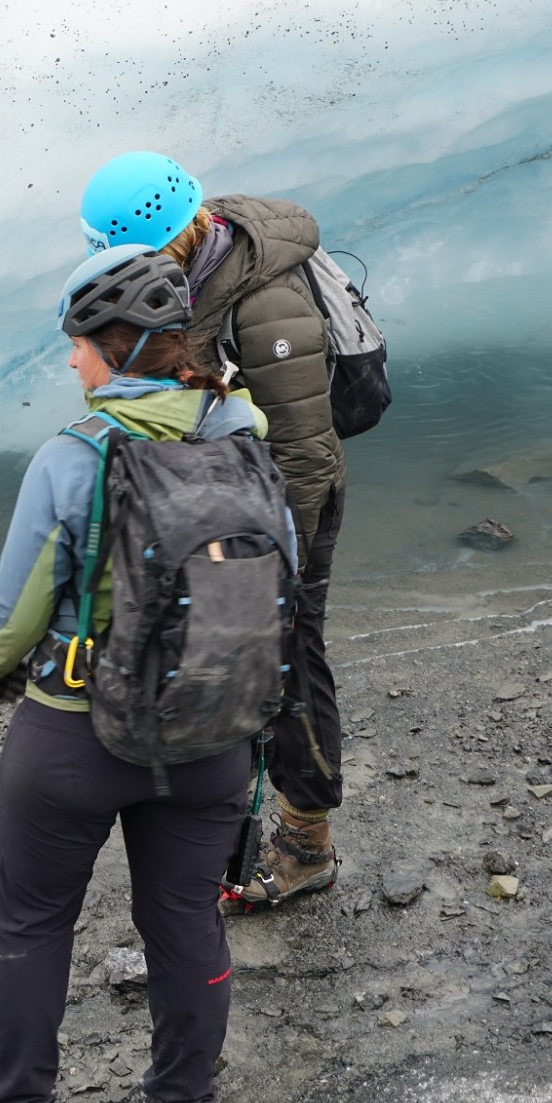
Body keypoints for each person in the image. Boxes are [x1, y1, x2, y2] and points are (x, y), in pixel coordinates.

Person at [0, 245, 270, 1103]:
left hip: (76, 738)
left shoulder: (74, 457)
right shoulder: (244, 436)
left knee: (33, 923)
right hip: (213, 730)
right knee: (184, 923)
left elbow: (12, 623)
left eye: (80, 343)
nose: (72, 360)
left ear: (118, 350)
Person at [80, 151, 347, 911]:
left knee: (289, 662)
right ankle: (213, 822)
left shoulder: (264, 304)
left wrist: (277, 566)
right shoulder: (189, 266)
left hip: (286, 506)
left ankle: (306, 844)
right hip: (223, 499)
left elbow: (303, 448)